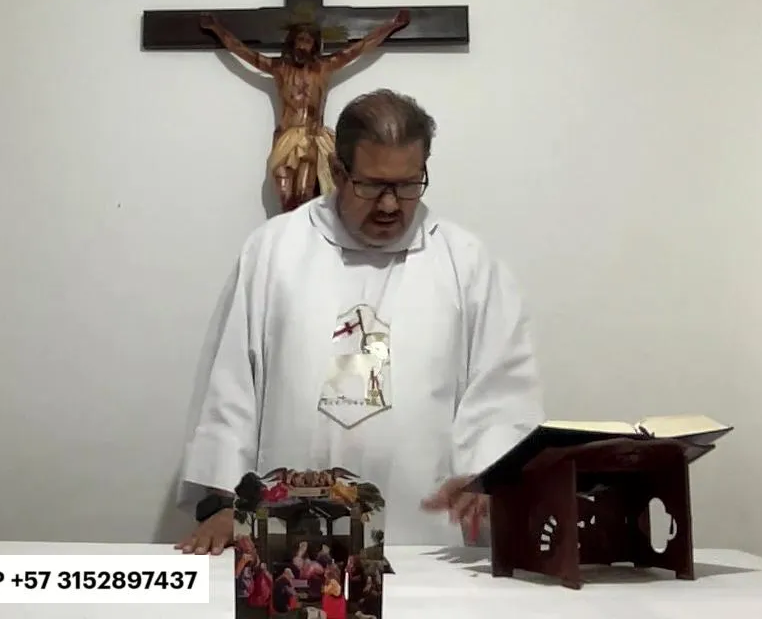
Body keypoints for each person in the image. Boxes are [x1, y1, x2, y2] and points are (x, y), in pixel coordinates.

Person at [175, 89, 544, 553]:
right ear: (337, 171)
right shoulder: (274, 251)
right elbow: (231, 387)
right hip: (285, 538)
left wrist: (489, 480)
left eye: (408, 185)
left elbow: (501, 395)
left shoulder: (467, 264)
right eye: (372, 185)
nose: (390, 205)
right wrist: (226, 499)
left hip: (427, 542)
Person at [199, 10, 410, 213]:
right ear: (292, 42)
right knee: (284, 196)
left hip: (311, 137)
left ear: (315, 45)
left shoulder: (324, 67)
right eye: (300, 39)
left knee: (303, 196)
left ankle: (305, 232)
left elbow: (359, 48)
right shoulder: (279, 68)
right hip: (285, 138)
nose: (303, 45)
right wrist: (216, 28)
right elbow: (242, 51)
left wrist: (391, 25)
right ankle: (286, 231)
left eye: (308, 41)